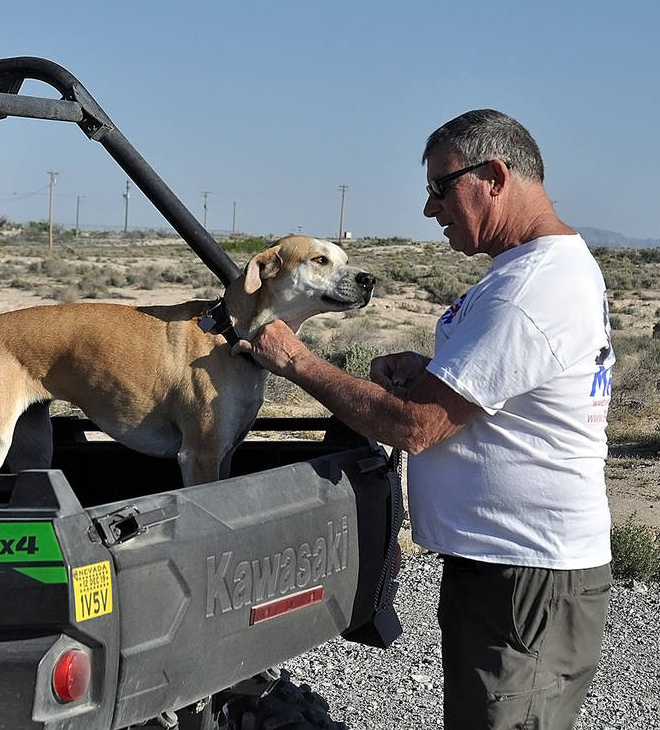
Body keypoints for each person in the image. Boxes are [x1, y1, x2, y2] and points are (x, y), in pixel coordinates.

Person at [233, 109, 615, 729]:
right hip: (511, 570)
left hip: (523, 576)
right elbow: (510, 386)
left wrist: (297, 361)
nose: (430, 208)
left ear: (493, 175)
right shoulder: (531, 274)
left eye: (441, 187)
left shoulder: (532, 288)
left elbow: (415, 426)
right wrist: (433, 369)